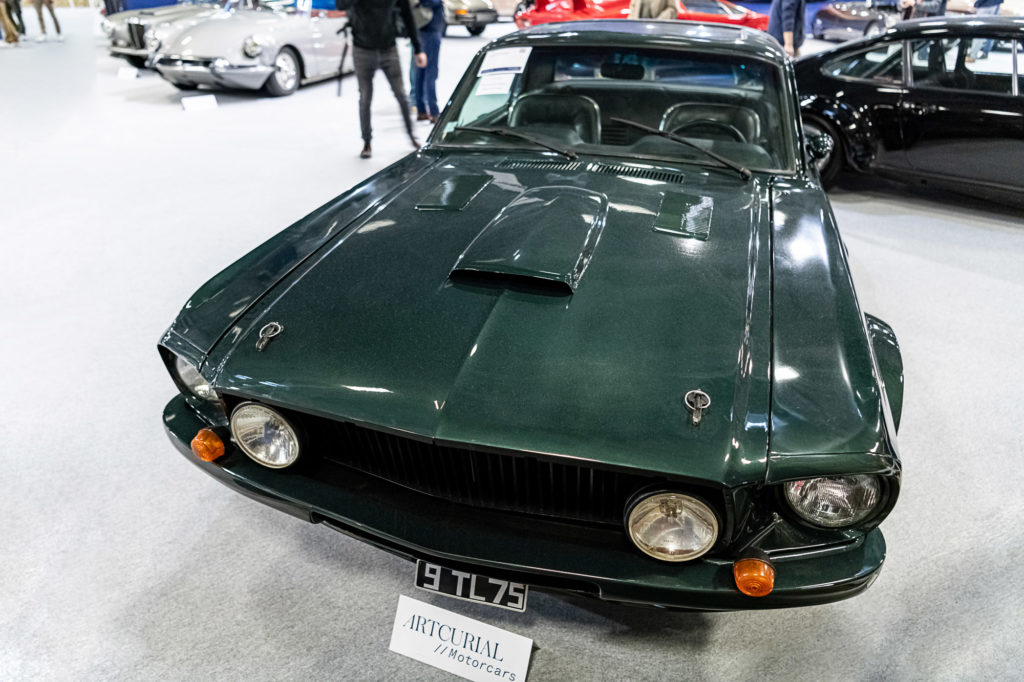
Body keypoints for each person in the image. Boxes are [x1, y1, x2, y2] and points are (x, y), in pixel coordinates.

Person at [336, 0, 428, 159]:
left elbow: (407, 15)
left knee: (401, 95)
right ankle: (366, 141)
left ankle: (412, 137)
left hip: (388, 49)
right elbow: (340, 5)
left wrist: (418, 48)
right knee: (365, 97)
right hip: (362, 49)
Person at [413, 0, 444, 123]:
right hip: (430, 30)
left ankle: (421, 110)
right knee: (431, 71)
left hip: (421, 30)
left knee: (420, 71)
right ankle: (433, 111)